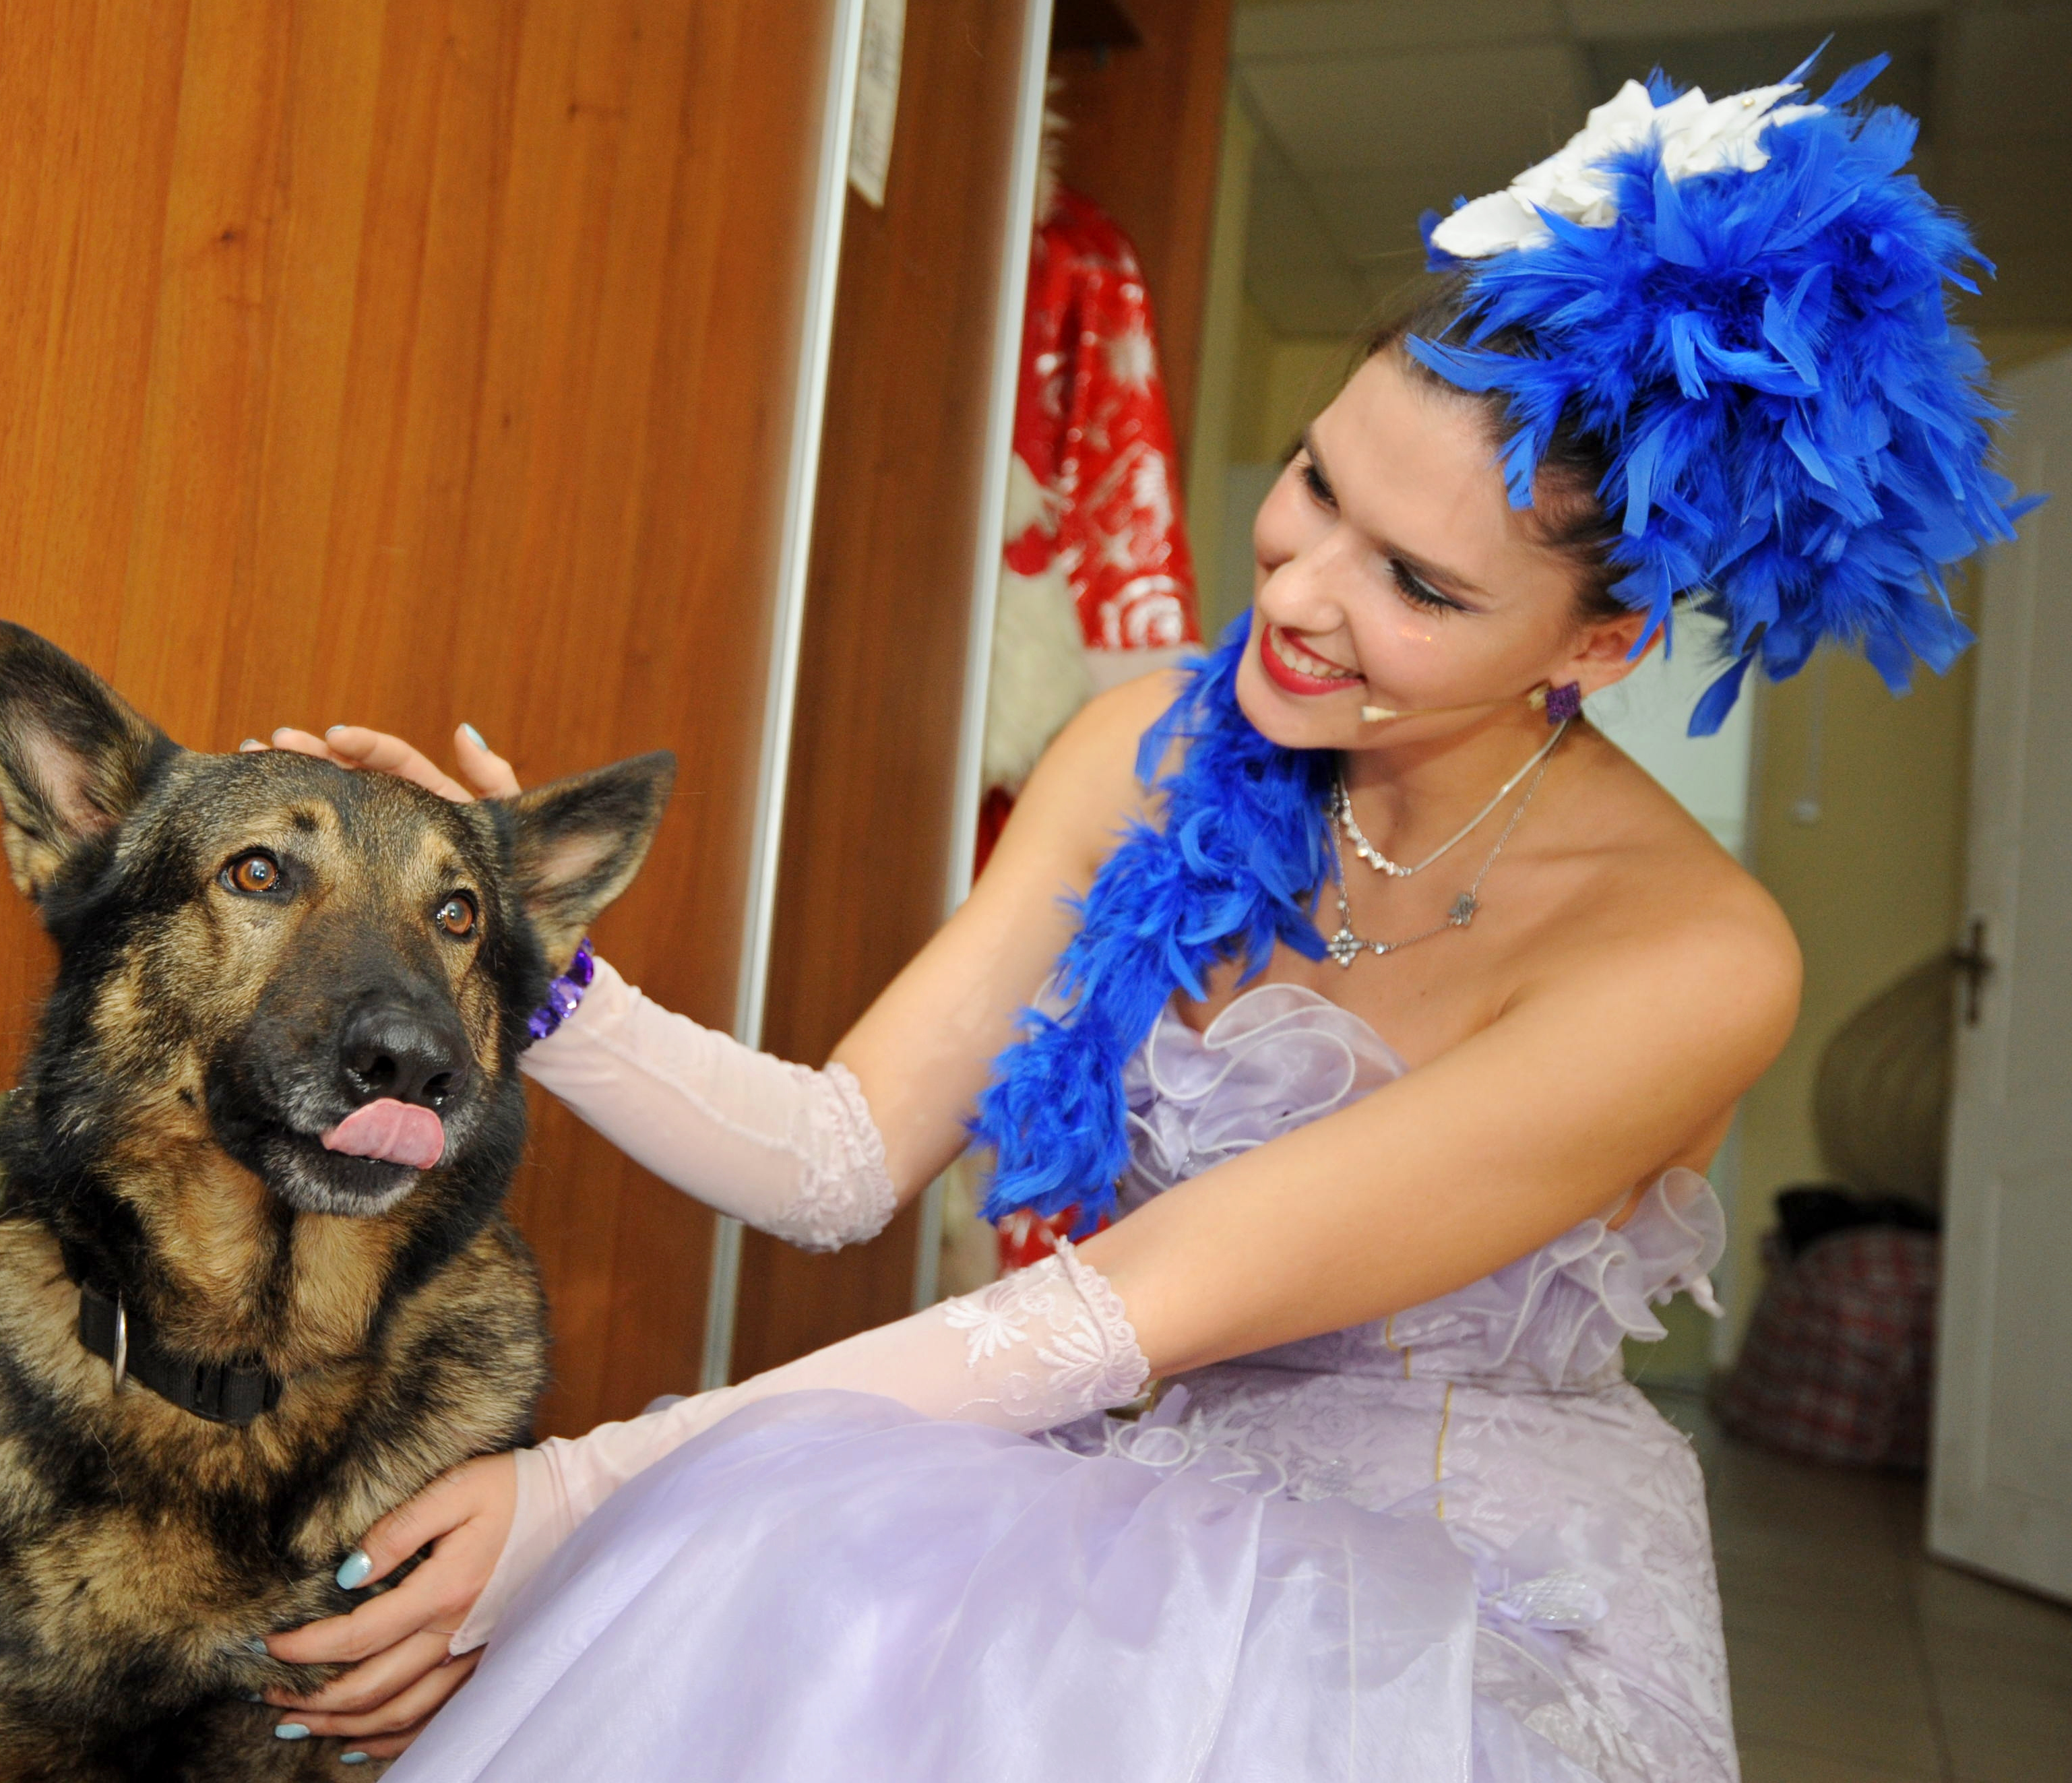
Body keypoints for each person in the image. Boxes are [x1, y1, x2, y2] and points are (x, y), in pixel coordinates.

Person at [245, 57, 2024, 1781]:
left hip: (1455, 1598)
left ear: (1602, 643)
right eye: (1315, 486)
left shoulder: (1694, 960)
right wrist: (521, 969)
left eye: (1414, 585)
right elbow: (839, 1155)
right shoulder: (1142, 749)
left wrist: (589, 1493)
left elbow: (1123, 1308)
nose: (1300, 595)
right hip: (1133, 1491)